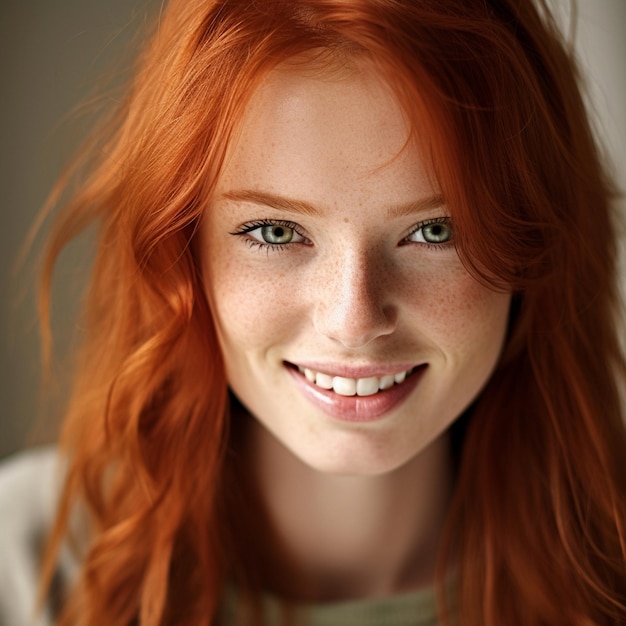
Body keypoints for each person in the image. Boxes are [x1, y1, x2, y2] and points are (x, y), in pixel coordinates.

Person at [1, 0, 625, 625]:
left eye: (435, 231)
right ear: (182, 252)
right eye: (274, 232)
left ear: (536, 244)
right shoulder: (26, 559)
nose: (352, 320)